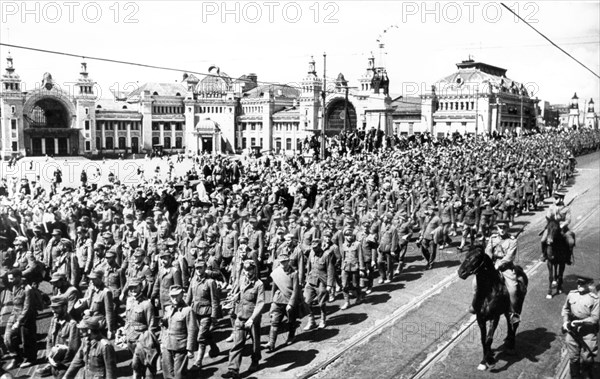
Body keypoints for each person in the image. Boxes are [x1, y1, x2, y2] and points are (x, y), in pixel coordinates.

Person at [223, 260, 265, 379]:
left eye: (249, 270)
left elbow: (260, 303)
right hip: (240, 317)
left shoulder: (259, 284)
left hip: (252, 318)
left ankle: (255, 361)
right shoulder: (242, 280)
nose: (247, 273)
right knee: (237, 343)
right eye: (245, 270)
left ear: (254, 270)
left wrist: (252, 319)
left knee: (255, 344)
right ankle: (233, 370)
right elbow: (240, 293)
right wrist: (235, 297)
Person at [474, 220, 520, 324]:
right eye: (500, 228)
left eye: (504, 228)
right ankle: (475, 305)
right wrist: (489, 261)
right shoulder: (492, 238)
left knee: (513, 289)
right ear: (497, 228)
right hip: (492, 264)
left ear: (507, 228)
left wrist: (499, 264)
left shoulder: (512, 240)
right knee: (475, 282)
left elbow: (510, 256)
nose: (502, 230)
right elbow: (488, 250)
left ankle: (513, 313)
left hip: (505, 267)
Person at [118, 278, 160, 379]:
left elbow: (152, 325)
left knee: (147, 367)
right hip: (131, 339)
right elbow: (128, 319)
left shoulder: (147, 304)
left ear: (141, 287)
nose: (133, 290)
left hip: (142, 340)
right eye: (131, 288)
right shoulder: (130, 302)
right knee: (137, 367)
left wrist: (148, 343)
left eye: (135, 288)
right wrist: (124, 332)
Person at [561, 276, 599, 379]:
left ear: (588, 285)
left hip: (588, 331)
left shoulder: (595, 299)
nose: (579, 286)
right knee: (573, 357)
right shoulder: (572, 294)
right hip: (572, 330)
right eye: (578, 284)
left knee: (588, 357)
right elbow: (566, 309)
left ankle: (587, 374)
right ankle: (574, 376)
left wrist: (580, 322)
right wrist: (565, 322)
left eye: (582, 284)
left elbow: (595, 318)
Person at [186, 259, 220, 370]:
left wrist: (214, 316)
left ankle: (198, 362)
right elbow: (188, 297)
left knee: (201, 337)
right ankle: (214, 348)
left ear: (205, 268)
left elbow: (215, 300)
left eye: (201, 268)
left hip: (206, 313)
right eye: (197, 268)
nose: (198, 270)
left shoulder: (210, 282)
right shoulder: (193, 281)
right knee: (205, 334)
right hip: (195, 312)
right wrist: (184, 310)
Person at [36, 296, 81, 379]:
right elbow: (49, 340)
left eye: (56, 308)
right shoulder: (54, 320)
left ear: (64, 307)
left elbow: (73, 349)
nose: (53, 311)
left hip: (65, 363)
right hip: (54, 361)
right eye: (52, 308)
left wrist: (59, 363)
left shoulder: (72, 324)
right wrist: (50, 358)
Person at [3, 268, 38, 369]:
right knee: (7, 339)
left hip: (26, 318)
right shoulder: (14, 286)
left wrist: (19, 321)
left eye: (11, 278)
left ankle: (30, 359)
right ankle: (16, 357)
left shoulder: (27, 289)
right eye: (9, 279)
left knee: (27, 340)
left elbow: (27, 308)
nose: (10, 281)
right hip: (14, 315)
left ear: (18, 277)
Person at [161, 284, 198, 379]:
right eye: (172, 296)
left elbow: (192, 330)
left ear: (182, 294)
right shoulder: (168, 309)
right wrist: (162, 342)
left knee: (179, 375)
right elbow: (164, 327)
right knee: (167, 373)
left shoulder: (188, 310)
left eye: (177, 295)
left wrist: (190, 349)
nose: (174, 298)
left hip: (180, 346)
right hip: (167, 344)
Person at [267, 252, 300, 352]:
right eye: (281, 262)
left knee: (291, 321)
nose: (283, 264)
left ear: (288, 261)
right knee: (274, 322)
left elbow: (295, 290)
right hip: (278, 300)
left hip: (289, 301)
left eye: (285, 262)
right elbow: (274, 287)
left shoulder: (294, 273)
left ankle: (291, 336)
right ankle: (271, 343)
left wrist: (291, 303)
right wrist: (272, 300)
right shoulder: (276, 272)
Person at [541, 189, 573, 262]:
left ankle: (568, 256)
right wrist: (550, 217)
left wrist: (562, 225)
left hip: (562, 228)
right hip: (552, 227)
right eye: (554, 198)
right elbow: (548, 217)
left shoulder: (566, 208)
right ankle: (544, 254)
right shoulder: (551, 207)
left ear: (561, 198)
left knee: (570, 241)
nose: (555, 200)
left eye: (556, 198)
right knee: (543, 240)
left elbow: (568, 220)